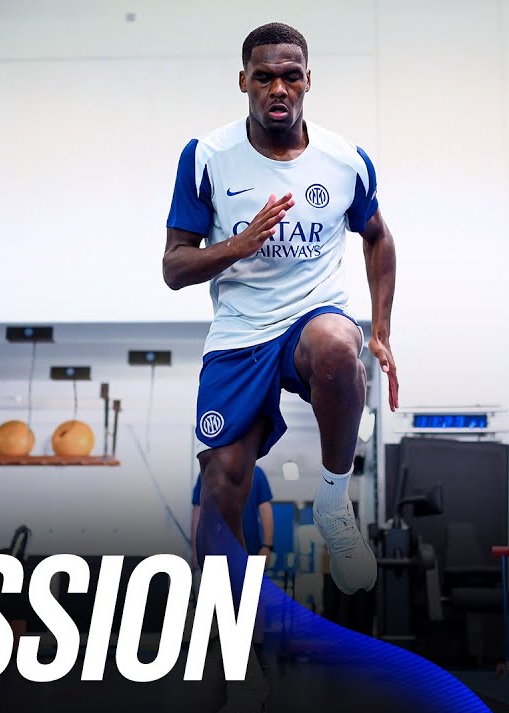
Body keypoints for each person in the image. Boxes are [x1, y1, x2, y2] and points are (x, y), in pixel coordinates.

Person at [163, 22, 398, 597]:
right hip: (240, 334)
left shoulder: (346, 161)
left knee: (340, 346)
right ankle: (241, 672)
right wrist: (239, 245)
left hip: (311, 318)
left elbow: (378, 238)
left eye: (290, 77)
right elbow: (174, 268)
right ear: (244, 81)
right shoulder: (207, 157)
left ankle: (334, 501)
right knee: (222, 487)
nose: (278, 88)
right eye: (264, 76)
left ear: (308, 82)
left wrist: (382, 330)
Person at [191, 465, 273, 568]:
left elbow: (197, 512)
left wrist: (267, 547)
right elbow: (197, 511)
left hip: (245, 551)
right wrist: (267, 546)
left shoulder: (255, 472)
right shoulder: (254, 471)